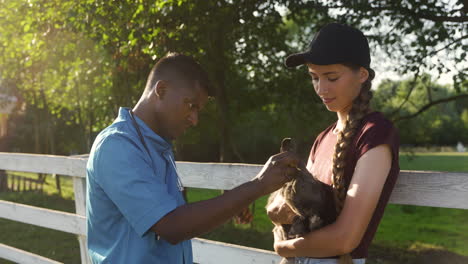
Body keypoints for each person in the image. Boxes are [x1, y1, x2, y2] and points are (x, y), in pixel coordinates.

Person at [86, 53, 299, 263]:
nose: (195, 119)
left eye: (199, 110)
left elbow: (176, 213)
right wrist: (258, 186)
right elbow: (173, 226)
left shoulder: (156, 145)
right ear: (161, 90)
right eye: (191, 105)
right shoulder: (117, 146)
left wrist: (233, 204)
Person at [266, 23, 400, 264]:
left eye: (332, 77)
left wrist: (283, 248)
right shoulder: (323, 138)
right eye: (314, 78)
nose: (321, 88)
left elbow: (345, 239)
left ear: (362, 74)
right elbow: (283, 208)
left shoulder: (375, 134)